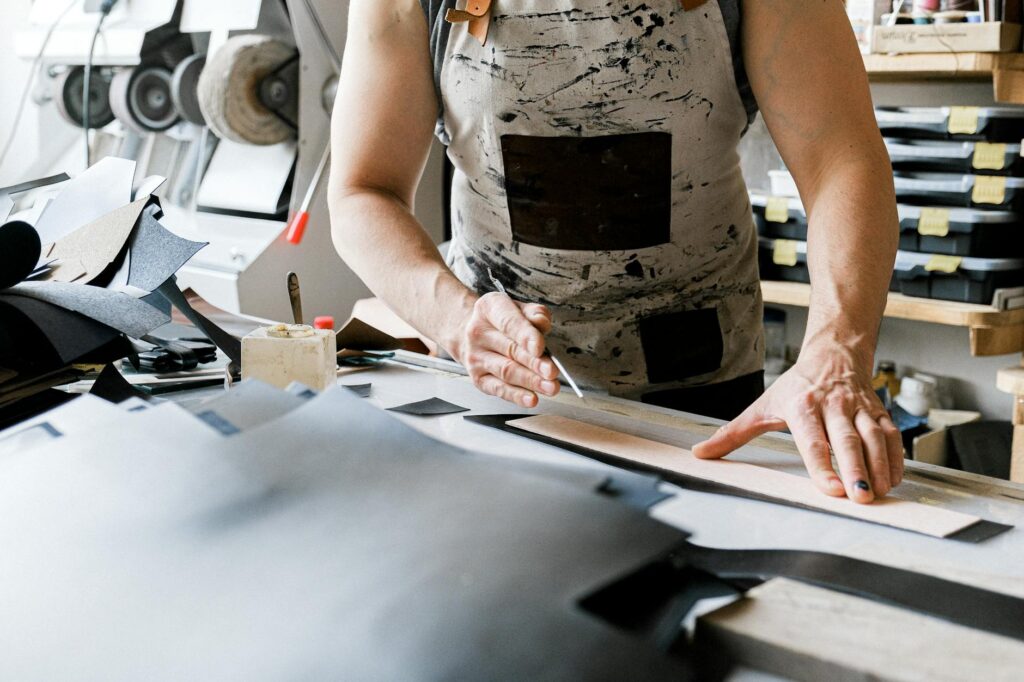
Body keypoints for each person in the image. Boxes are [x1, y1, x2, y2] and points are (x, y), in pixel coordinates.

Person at [328, 0, 904, 505]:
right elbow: (362, 192)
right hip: (495, 379)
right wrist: (456, 321)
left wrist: (837, 350)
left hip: (701, 396)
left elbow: (841, 160)